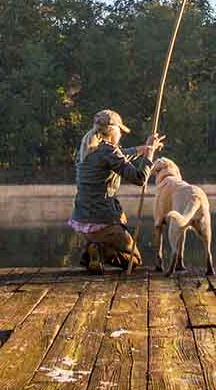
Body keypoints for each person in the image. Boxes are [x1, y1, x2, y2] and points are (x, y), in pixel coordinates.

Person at [69, 109, 164, 273]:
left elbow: (119, 156)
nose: (121, 134)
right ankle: (99, 250)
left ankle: (91, 250)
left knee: (117, 228)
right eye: (120, 131)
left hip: (82, 223)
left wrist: (144, 148)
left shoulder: (86, 149)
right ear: (113, 131)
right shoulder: (109, 151)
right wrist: (149, 153)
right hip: (104, 224)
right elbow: (139, 178)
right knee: (134, 261)